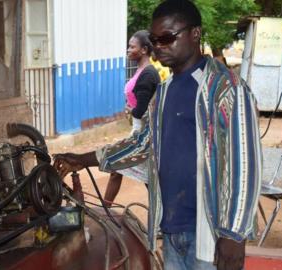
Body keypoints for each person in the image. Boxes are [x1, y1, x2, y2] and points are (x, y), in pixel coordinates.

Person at [53, 1, 262, 270]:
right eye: (154, 39)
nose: (158, 46)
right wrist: (82, 158)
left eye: (167, 38)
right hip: (172, 230)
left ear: (195, 34)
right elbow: (142, 143)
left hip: (210, 233)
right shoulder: (163, 92)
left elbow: (245, 163)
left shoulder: (225, 88)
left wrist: (234, 234)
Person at [104, 30, 160, 207]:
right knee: (147, 178)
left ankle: (105, 211)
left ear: (144, 50)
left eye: (131, 46)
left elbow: (141, 110)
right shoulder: (142, 71)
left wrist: (131, 110)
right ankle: (105, 211)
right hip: (139, 128)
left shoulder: (148, 75)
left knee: (118, 167)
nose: (128, 50)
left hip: (142, 131)